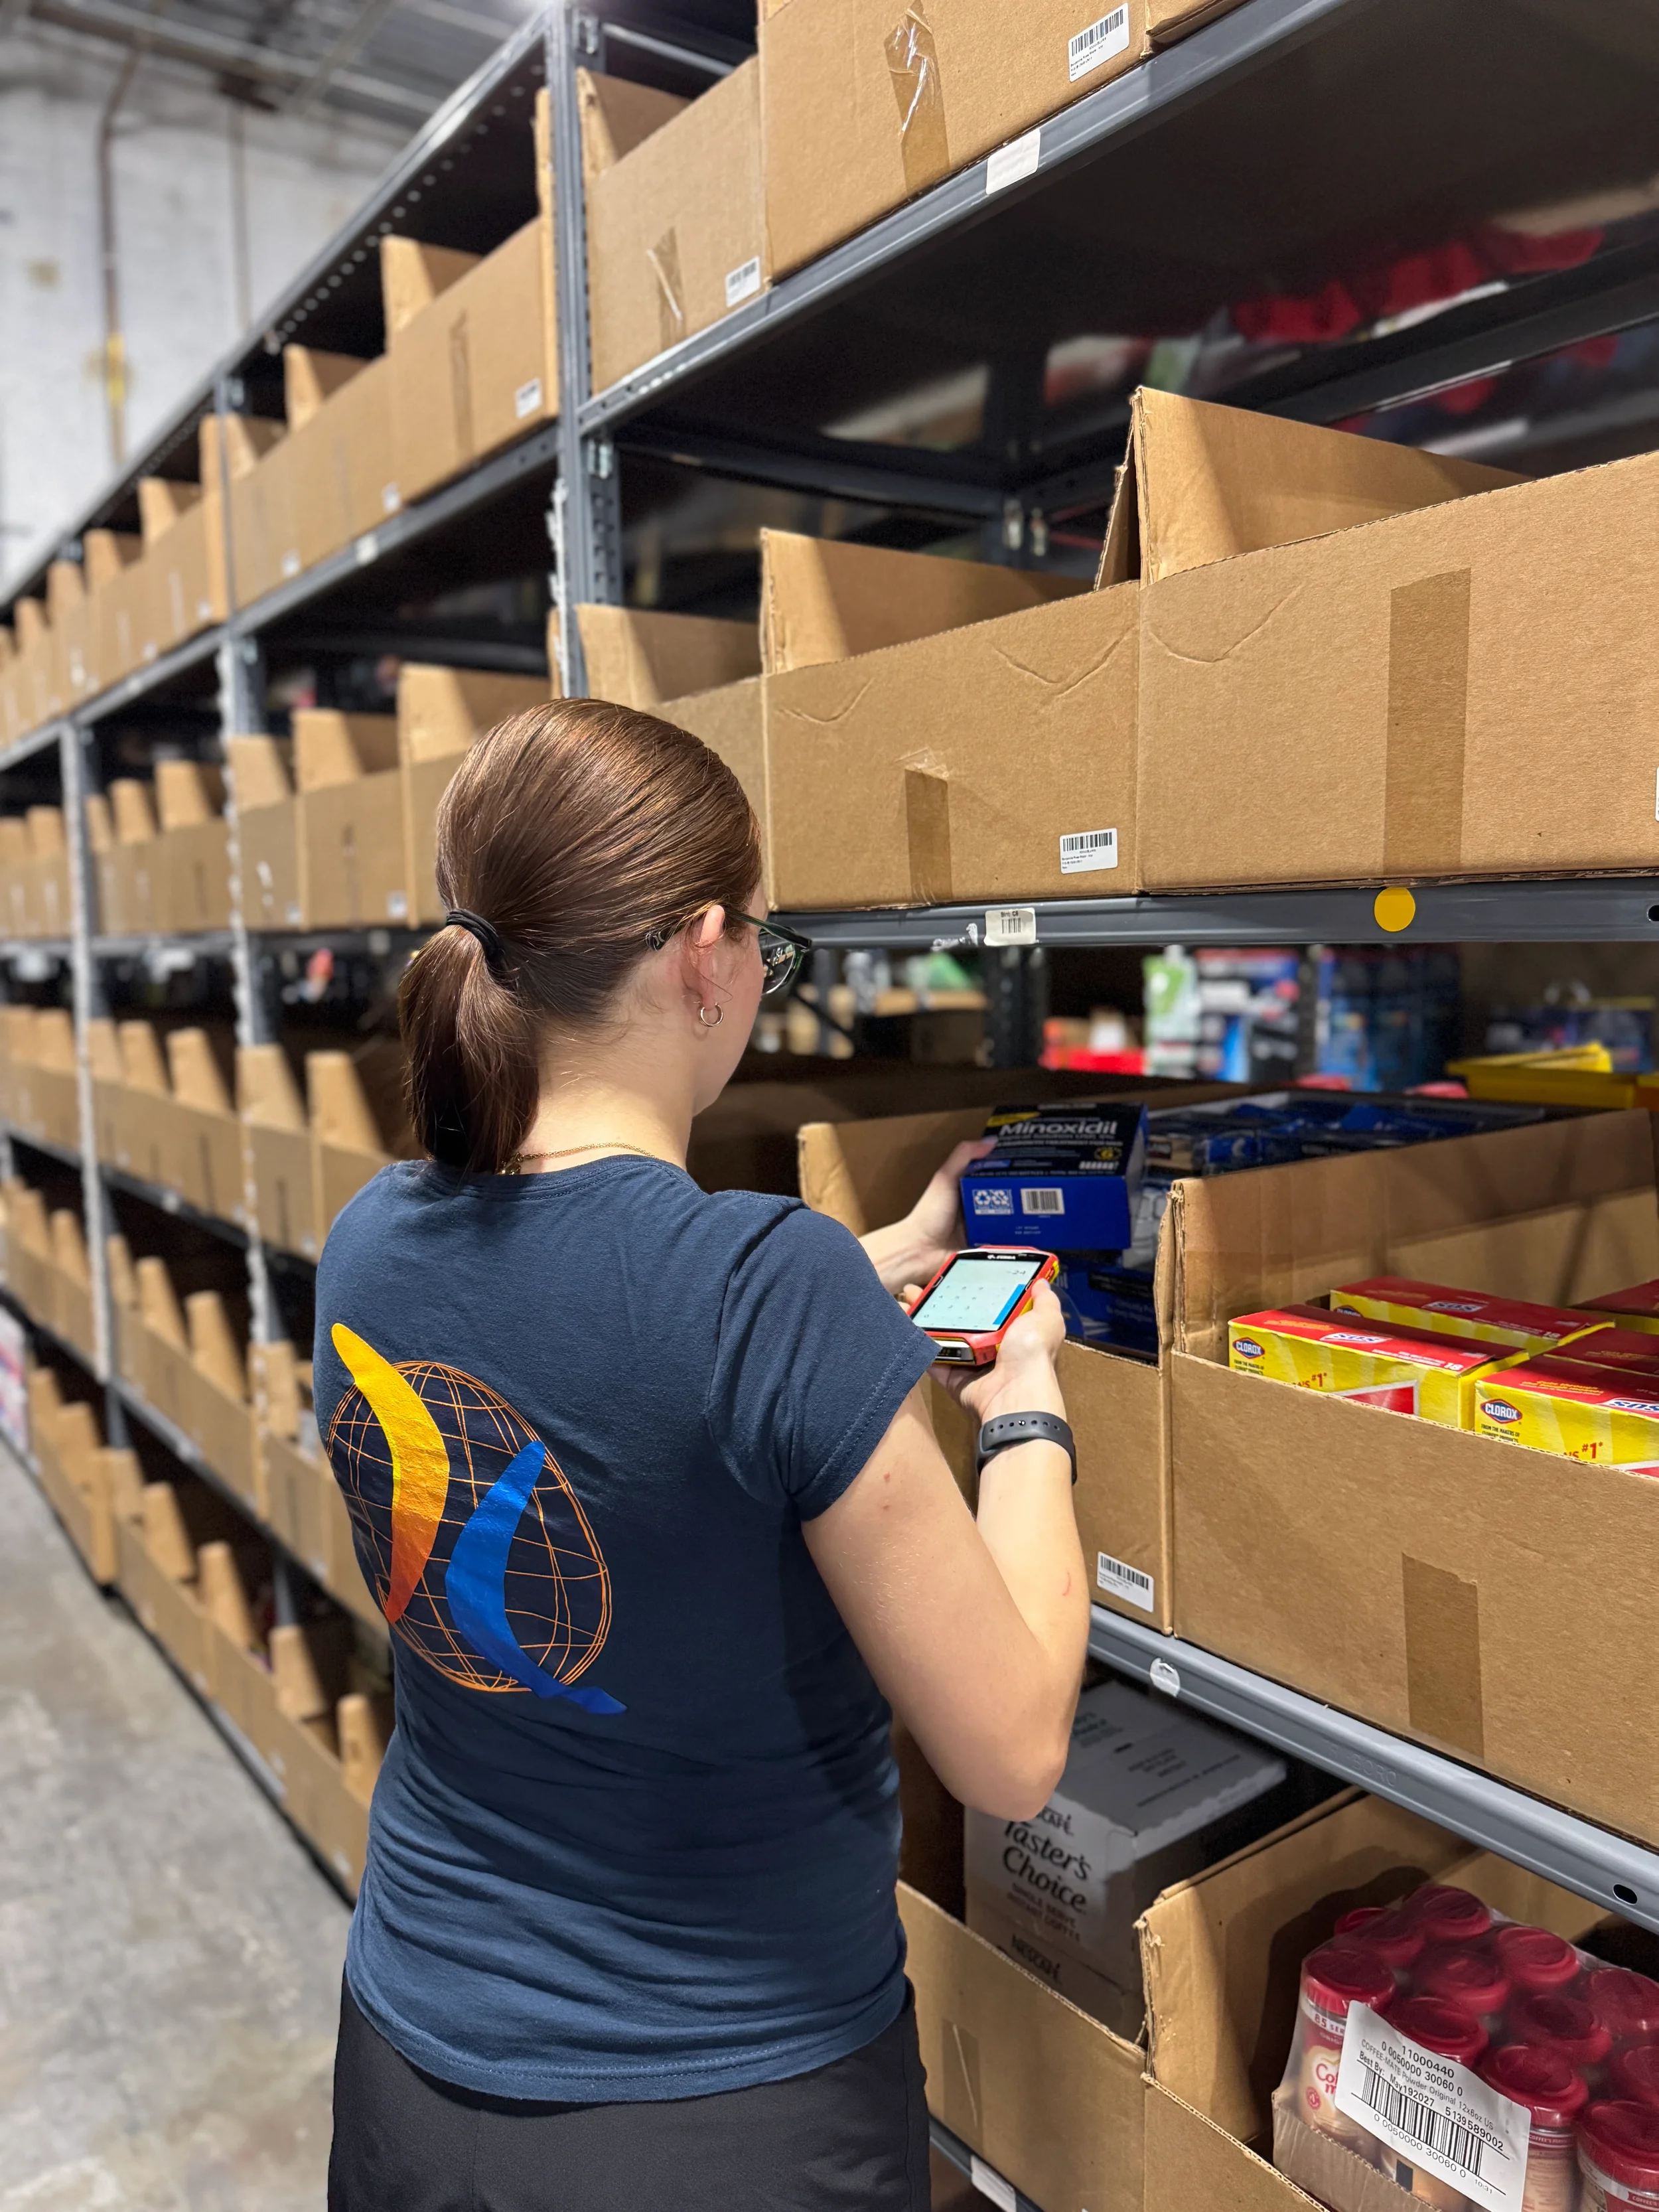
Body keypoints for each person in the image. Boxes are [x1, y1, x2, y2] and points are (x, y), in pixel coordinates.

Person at [317, 698, 1088, 2212]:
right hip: (716, 2111)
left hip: (410, 2060)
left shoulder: (370, 1240)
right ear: (702, 947)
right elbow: (1009, 1752)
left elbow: (611, 1346)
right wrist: (1025, 1421)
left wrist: (884, 1259)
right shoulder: (762, 1288)